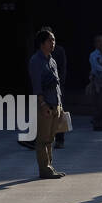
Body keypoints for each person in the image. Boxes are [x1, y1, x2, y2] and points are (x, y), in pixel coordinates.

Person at [28, 27, 65, 179]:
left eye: (54, 40)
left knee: (50, 138)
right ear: (42, 43)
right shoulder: (36, 61)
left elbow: (57, 85)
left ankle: (49, 166)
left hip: (55, 103)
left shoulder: (52, 60)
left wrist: (60, 105)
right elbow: (36, 84)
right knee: (43, 138)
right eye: (50, 40)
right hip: (45, 105)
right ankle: (44, 169)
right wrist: (42, 104)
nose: (53, 43)